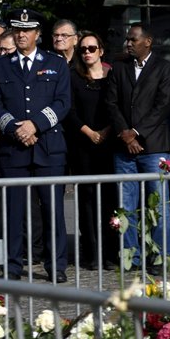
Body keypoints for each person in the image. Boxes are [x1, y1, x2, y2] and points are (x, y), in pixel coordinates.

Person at [0, 8, 71, 282]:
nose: (21, 34)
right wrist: (16, 128)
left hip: (48, 146)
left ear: (38, 34)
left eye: (27, 30)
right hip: (14, 148)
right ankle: (12, 267)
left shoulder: (56, 64)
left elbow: (62, 102)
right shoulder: (0, 66)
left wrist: (35, 125)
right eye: (17, 30)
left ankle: (56, 266)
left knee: (53, 211)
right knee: (13, 212)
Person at [105, 22, 170, 274]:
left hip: (153, 146)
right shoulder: (119, 67)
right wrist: (125, 134)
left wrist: (136, 133)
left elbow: (163, 105)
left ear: (148, 41)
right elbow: (111, 103)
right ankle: (130, 257)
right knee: (126, 207)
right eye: (127, 39)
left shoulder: (164, 68)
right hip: (123, 148)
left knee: (159, 207)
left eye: (133, 39)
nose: (128, 43)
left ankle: (159, 257)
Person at [65, 31, 117, 271]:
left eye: (92, 48)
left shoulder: (112, 75)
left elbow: (117, 107)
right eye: (83, 49)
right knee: (86, 199)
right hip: (83, 144)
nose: (87, 52)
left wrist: (105, 131)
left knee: (109, 199)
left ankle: (110, 251)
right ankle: (91, 252)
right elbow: (70, 110)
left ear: (101, 51)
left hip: (108, 144)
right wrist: (89, 132)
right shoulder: (73, 77)